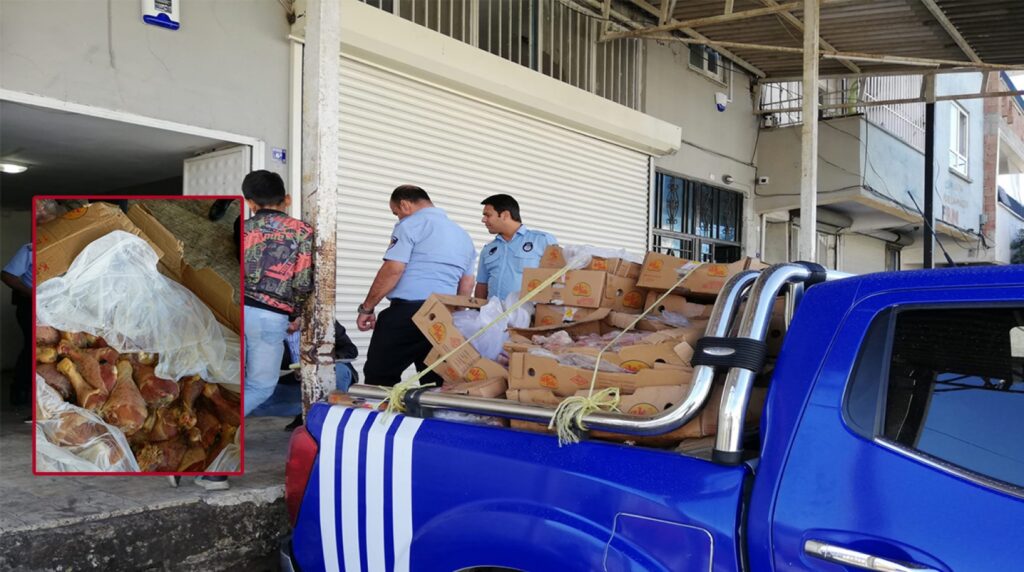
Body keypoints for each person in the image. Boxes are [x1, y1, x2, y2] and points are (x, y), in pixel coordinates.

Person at [357, 185, 476, 387]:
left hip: (408, 314)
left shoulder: (410, 225)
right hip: (443, 315)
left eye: (396, 213)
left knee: (379, 378)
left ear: (404, 204)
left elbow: (393, 269)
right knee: (435, 380)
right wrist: (455, 317)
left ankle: (380, 417)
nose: (398, 219)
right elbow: (467, 283)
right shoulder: (463, 235)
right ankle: (429, 417)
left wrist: (367, 307)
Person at [474, 194, 557, 301]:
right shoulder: (488, 249)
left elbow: (558, 281)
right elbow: (482, 285)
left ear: (505, 215)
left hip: (528, 315)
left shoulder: (542, 240)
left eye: (488, 215)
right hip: (493, 315)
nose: (483, 220)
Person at [2, 243, 33, 421]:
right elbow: (7, 275)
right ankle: (20, 391)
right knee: (31, 347)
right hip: (29, 303)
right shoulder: (30, 249)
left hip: (50, 305)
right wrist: (30, 293)